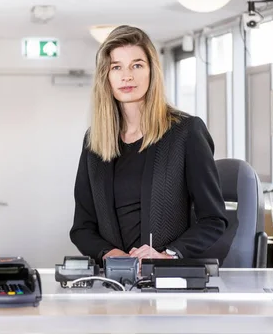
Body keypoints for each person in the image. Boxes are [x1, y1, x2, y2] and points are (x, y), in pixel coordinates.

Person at [70, 25, 234, 266]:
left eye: (137, 65)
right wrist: (109, 253)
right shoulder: (94, 141)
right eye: (117, 67)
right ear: (106, 76)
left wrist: (168, 254)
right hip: (114, 279)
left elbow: (213, 219)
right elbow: (82, 228)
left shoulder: (186, 132)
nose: (127, 76)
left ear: (151, 71)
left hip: (167, 281)